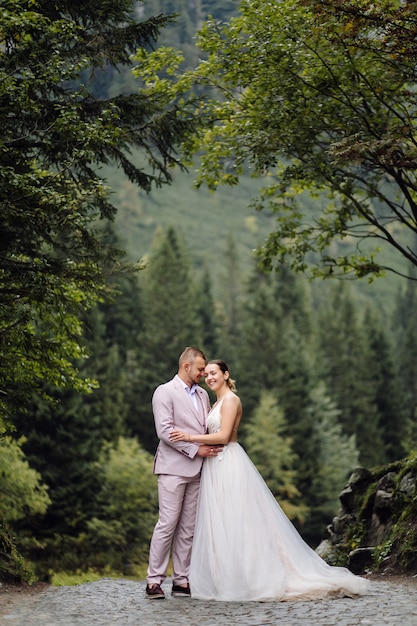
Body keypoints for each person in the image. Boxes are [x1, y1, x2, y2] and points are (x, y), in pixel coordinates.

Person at [169, 359, 370, 602]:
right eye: (207, 374)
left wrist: (189, 437)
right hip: (214, 465)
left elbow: (222, 436)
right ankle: (229, 577)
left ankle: (252, 578)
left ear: (225, 374)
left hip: (228, 463)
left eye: (214, 373)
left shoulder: (231, 400)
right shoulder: (218, 402)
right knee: (223, 522)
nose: (209, 377)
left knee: (238, 520)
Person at [146, 347, 223, 600]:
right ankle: (154, 581)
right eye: (201, 369)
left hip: (199, 471)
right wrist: (196, 449)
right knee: (167, 524)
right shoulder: (164, 392)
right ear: (186, 366)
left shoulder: (202, 395)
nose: (204, 373)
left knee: (188, 528)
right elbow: (164, 431)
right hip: (172, 469)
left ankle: (181, 580)